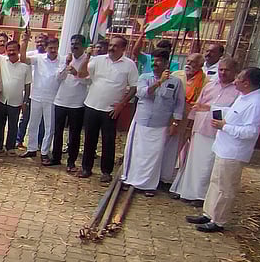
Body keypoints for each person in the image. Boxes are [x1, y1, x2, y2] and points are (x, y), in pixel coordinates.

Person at [187, 67, 260, 233]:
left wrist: (225, 126)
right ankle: (209, 213)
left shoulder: (257, 104)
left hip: (234, 151)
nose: (235, 81)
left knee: (225, 187)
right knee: (215, 183)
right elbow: (232, 113)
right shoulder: (244, 97)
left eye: (238, 78)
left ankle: (218, 220)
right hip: (223, 147)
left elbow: (251, 132)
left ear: (246, 83)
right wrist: (209, 108)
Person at [171, 57, 240, 206]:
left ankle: (200, 196)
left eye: (227, 70)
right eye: (221, 69)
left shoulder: (237, 91)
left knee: (207, 165)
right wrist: (189, 125)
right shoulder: (210, 85)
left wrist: (212, 110)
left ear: (235, 72)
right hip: (199, 127)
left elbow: (235, 113)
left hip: (217, 132)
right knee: (192, 162)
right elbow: (198, 105)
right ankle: (186, 191)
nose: (223, 73)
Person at [121, 50, 185, 196]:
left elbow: (179, 104)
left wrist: (175, 124)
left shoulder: (176, 82)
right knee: (136, 152)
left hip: (160, 124)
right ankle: (129, 179)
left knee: (154, 155)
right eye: (153, 61)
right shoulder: (145, 77)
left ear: (166, 64)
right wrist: (159, 83)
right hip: (142, 122)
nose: (154, 64)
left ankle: (148, 185)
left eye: (158, 61)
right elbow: (142, 93)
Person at [78, 36, 139, 184]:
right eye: (111, 45)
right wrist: (86, 56)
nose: (112, 48)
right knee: (89, 139)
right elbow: (80, 74)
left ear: (123, 49)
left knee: (108, 141)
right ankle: (86, 168)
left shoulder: (129, 65)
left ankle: (106, 171)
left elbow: (134, 87)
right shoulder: (98, 60)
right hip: (92, 105)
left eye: (116, 46)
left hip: (111, 110)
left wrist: (121, 105)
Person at [161, 53, 209, 185]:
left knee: (175, 147)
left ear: (200, 65)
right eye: (188, 61)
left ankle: (167, 177)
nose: (188, 64)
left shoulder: (205, 82)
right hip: (169, 115)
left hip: (187, 118)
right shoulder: (176, 74)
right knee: (161, 144)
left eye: (193, 62)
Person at [48, 35, 90, 170]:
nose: (74, 47)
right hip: (60, 101)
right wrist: (66, 65)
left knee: (74, 134)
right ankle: (56, 158)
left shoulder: (88, 61)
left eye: (77, 44)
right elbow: (58, 78)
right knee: (58, 131)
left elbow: (88, 81)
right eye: (72, 44)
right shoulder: (66, 59)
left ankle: (71, 162)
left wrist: (77, 73)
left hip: (77, 103)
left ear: (83, 46)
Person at [0, 40, 31, 155]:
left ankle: (10, 147)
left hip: (16, 102)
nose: (11, 52)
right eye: (9, 50)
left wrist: (25, 102)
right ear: (6, 51)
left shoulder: (25, 67)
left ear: (18, 51)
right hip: (1, 99)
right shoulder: (1, 61)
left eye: (14, 50)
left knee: (13, 125)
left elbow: (28, 87)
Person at [24, 37, 63, 161]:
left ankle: (45, 151)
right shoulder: (39, 58)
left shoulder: (62, 60)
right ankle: (31, 149)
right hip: (36, 96)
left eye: (55, 48)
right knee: (33, 124)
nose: (53, 50)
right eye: (50, 48)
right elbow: (23, 59)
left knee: (49, 127)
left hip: (52, 99)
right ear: (46, 48)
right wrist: (24, 42)